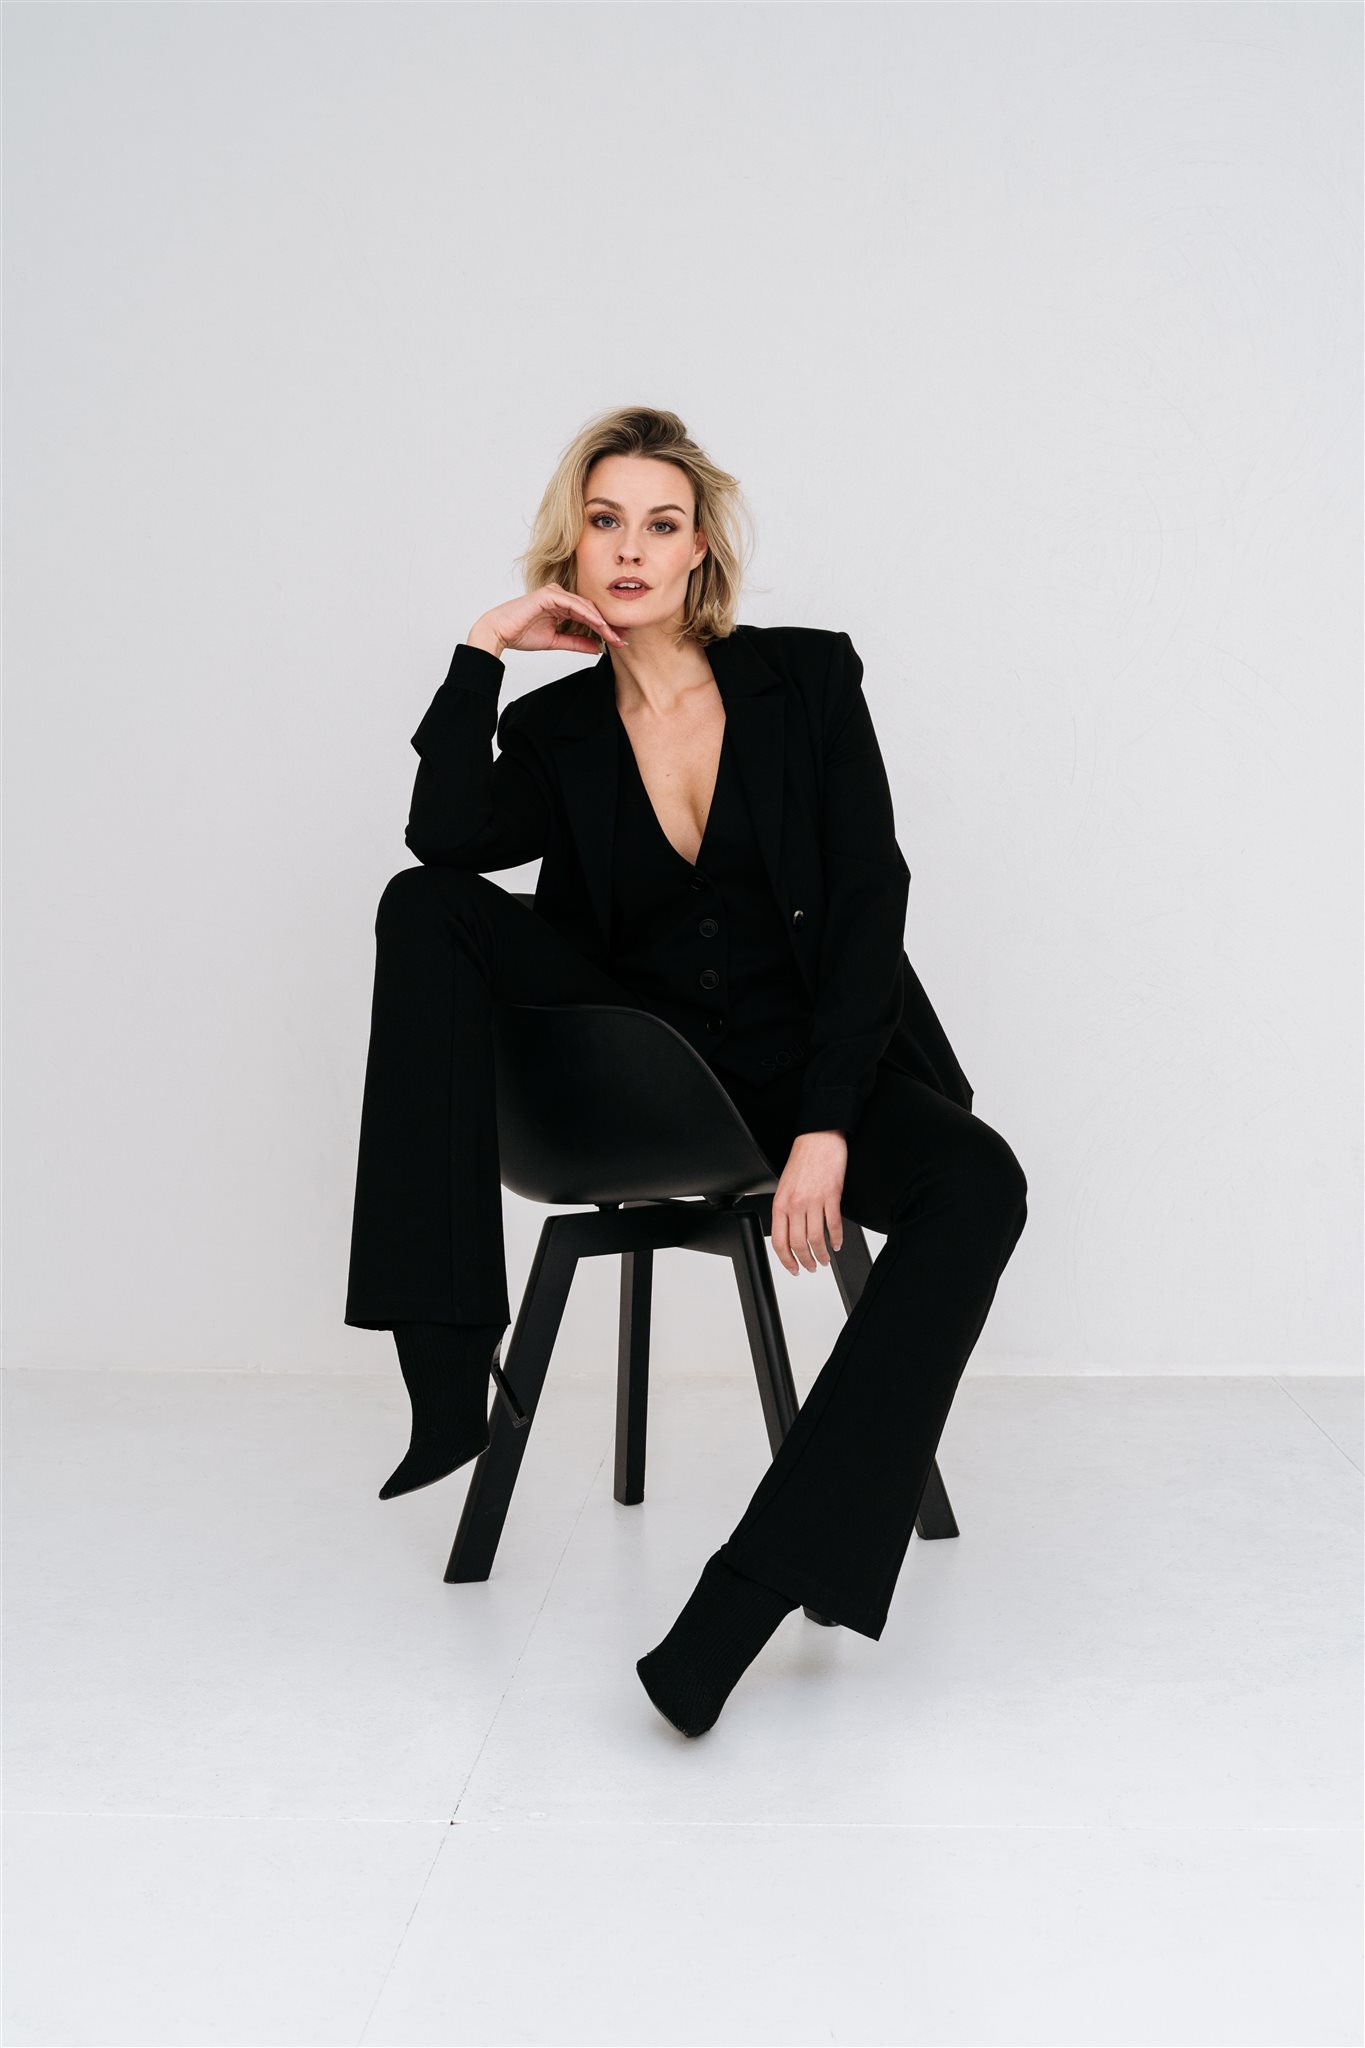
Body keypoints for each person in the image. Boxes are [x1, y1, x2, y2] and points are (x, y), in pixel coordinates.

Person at [344, 404, 1028, 1737]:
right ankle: (446, 1359)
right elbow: (444, 837)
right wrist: (482, 652)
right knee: (422, 907)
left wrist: (827, 1126)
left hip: (803, 1067)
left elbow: (868, 904)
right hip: (645, 1070)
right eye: (604, 521)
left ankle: (751, 1591)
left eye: (660, 525)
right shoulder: (558, 733)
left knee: (980, 1184)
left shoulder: (805, 681)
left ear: (700, 549)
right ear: (572, 541)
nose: (629, 549)